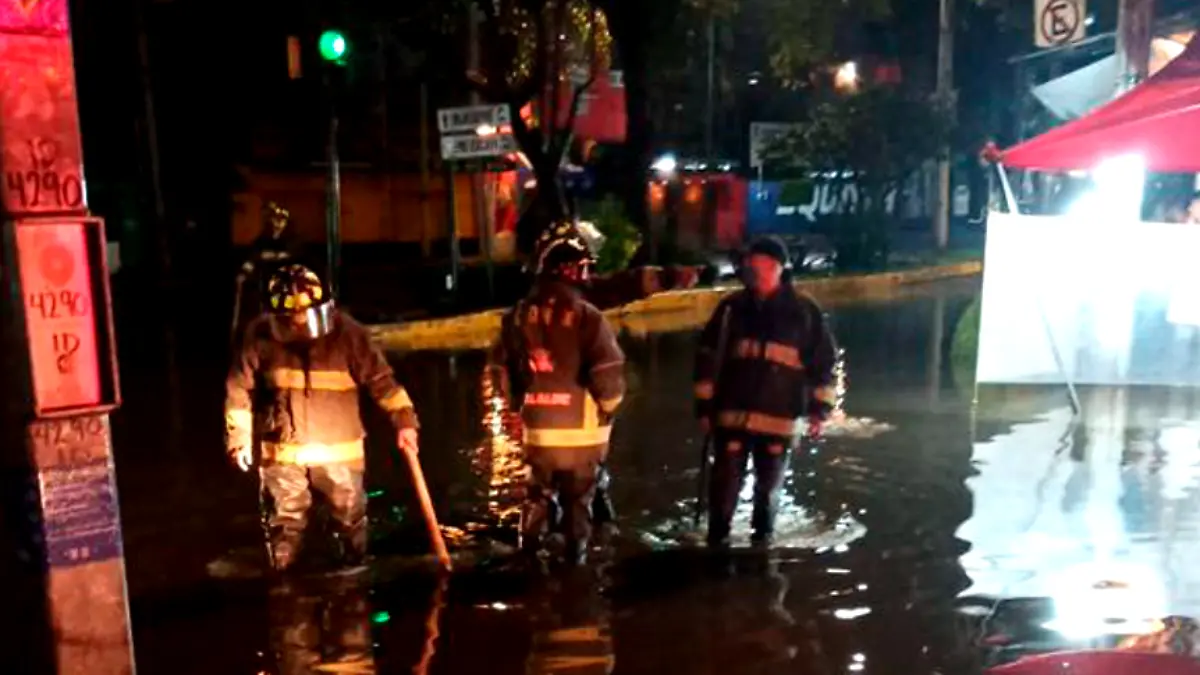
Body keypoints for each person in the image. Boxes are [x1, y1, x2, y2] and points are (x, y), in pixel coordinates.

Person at [225, 264, 420, 572]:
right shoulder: (259, 335)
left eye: (308, 317)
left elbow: (382, 382)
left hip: (338, 450)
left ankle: (351, 584)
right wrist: (238, 439)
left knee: (349, 517)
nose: (301, 325)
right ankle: (286, 589)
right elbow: (239, 390)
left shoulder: (349, 334)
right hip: (282, 450)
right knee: (284, 525)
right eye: (293, 320)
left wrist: (405, 422)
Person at [486, 222, 627, 565]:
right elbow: (607, 376)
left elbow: (498, 372)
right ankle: (574, 572)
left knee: (536, 497)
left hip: (537, 437)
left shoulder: (517, 316)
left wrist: (514, 409)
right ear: (571, 271)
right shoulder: (587, 317)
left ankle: (528, 558)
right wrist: (609, 408)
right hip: (581, 439)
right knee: (578, 505)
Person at [694, 235, 839, 549]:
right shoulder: (732, 308)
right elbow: (707, 357)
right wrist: (704, 407)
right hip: (731, 416)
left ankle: (762, 550)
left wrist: (819, 411)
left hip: (779, 419)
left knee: (768, 490)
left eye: (756, 262)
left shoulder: (803, 311)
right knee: (723, 487)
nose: (749, 269)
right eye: (748, 263)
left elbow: (824, 363)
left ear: (775, 266)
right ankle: (716, 545)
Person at [232, 201, 303, 340]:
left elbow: (295, 258)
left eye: (281, 220)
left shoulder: (293, 240)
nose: (277, 223)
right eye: (275, 219)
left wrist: (275, 257)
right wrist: (244, 273)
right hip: (265, 284)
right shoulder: (262, 240)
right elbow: (253, 258)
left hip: (285, 285)